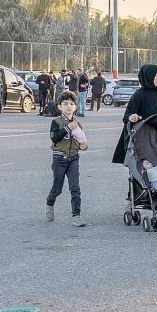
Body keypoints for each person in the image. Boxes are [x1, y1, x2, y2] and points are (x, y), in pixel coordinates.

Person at [112, 64, 157, 164]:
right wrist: (132, 117)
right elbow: (127, 116)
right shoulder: (140, 94)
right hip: (146, 139)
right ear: (149, 77)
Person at [46, 91, 88, 227]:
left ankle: (77, 216)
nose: (68, 106)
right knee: (57, 188)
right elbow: (54, 137)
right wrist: (66, 128)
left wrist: (84, 146)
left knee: (75, 187)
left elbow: (80, 141)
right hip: (59, 158)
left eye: (71, 104)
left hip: (73, 159)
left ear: (76, 107)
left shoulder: (78, 124)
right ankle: (50, 201)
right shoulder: (56, 122)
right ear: (59, 107)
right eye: (65, 104)